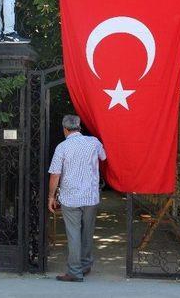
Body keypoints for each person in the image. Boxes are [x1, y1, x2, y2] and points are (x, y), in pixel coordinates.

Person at [48, 115, 106, 282]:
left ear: (65, 129)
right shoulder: (94, 142)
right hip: (91, 196)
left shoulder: (62, 147)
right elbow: (104, 157)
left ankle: (74, 271)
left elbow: (55, 175)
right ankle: (86, 265)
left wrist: (51, 197)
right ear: (79, 126)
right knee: (87, 232)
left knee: (74, 234)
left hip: (71, 197)